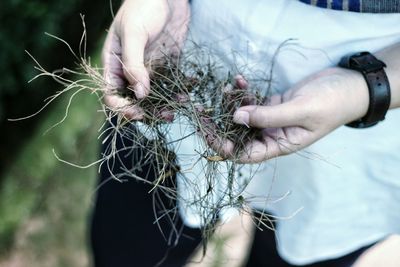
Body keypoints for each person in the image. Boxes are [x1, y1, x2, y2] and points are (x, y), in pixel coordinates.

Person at [91, 0, 400, 266]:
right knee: (128, 245)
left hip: (356, 114)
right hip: (181, 50)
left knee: (295, 250)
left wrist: (368, 88)